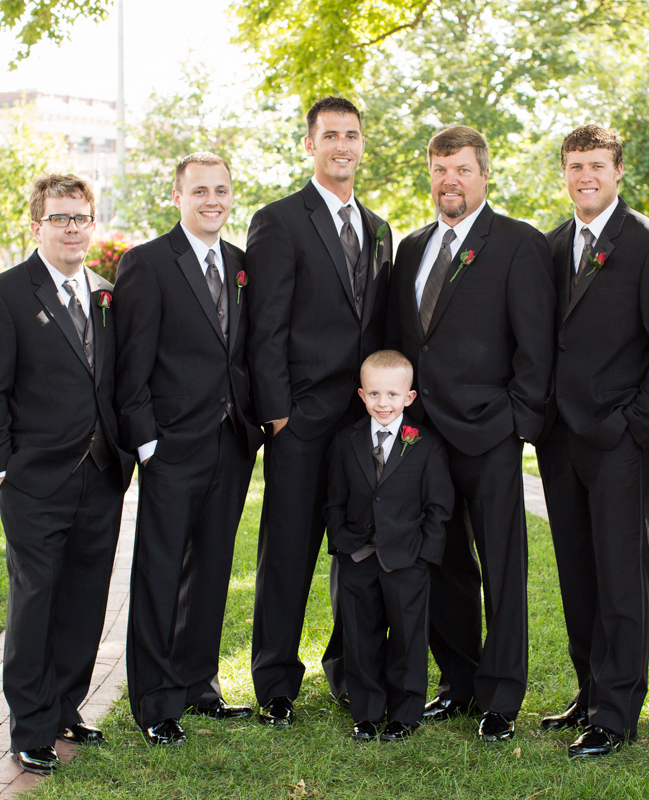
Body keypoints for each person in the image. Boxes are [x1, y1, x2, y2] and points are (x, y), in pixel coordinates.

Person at [386, 125, 555, 742]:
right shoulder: (411, 247)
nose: (449, 181)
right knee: (442, 561)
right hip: (423, 438)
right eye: (439, 170)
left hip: (489, 434)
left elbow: (536, 346)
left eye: (461, 169)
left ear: (485, 174)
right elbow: (407, 339)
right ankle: (457, 682)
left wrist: (516, 423)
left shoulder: (518, 243)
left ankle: (501, 696)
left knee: (502, 568)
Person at [0, 174, 134, 774]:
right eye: (60, 218)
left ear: (92, 224)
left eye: (80, 217)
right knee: (36, 601)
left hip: (101, 473)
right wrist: (1, 471)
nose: (71, 228)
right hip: (33, 480)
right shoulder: (3, 295)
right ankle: (30, 727)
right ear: (36, 225)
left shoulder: (108, 294)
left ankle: (65, 707)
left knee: (86, 599)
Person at [536, 125, 649, 758]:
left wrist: (640, 427)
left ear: (618, 171)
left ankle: (617, 712)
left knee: (621, 575)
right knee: (577, 571)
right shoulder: (552, 245)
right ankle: (588, 691)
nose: (585, 176)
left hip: (619, 442)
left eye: (596, 165)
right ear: (565, 173)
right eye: (575, 166)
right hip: (559, 441)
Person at [246, 96, 392, 725]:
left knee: (358, 554)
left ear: (361, 145)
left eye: (351, 135)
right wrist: (278, 415)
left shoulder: (379, 229)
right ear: (310, 144)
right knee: (288, 553)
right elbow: (265, 328)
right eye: (330, 135)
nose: (342, 146)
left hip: (363, 424)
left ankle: (349, 669)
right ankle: (276, 682)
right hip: (301, 421)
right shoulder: (279, 221)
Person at [113, 152, 262, 746]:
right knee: (160, 571)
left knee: (212, 569)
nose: (212, 201)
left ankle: (199, 684)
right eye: (200, 190)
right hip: (171, 443)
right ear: (177, 197)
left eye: (221, 190)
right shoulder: (147, 263)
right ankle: (155, 702)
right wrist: (147, 443)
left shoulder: (241, 263)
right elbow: (131, 364)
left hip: (232, 441)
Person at [324, 350, 454, 742]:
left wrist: (424, 556)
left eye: (393, 395)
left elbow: (439, 506)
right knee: (359, 636)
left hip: (407, 559)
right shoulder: (346, 441)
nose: (384, 403)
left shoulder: (426, 444)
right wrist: (342, 544)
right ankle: (366, 712)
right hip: (358, 556)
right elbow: (335, 499)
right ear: (361, 395)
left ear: (409, 397)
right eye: (375, 394)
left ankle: (404, 713)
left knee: (408, 638)